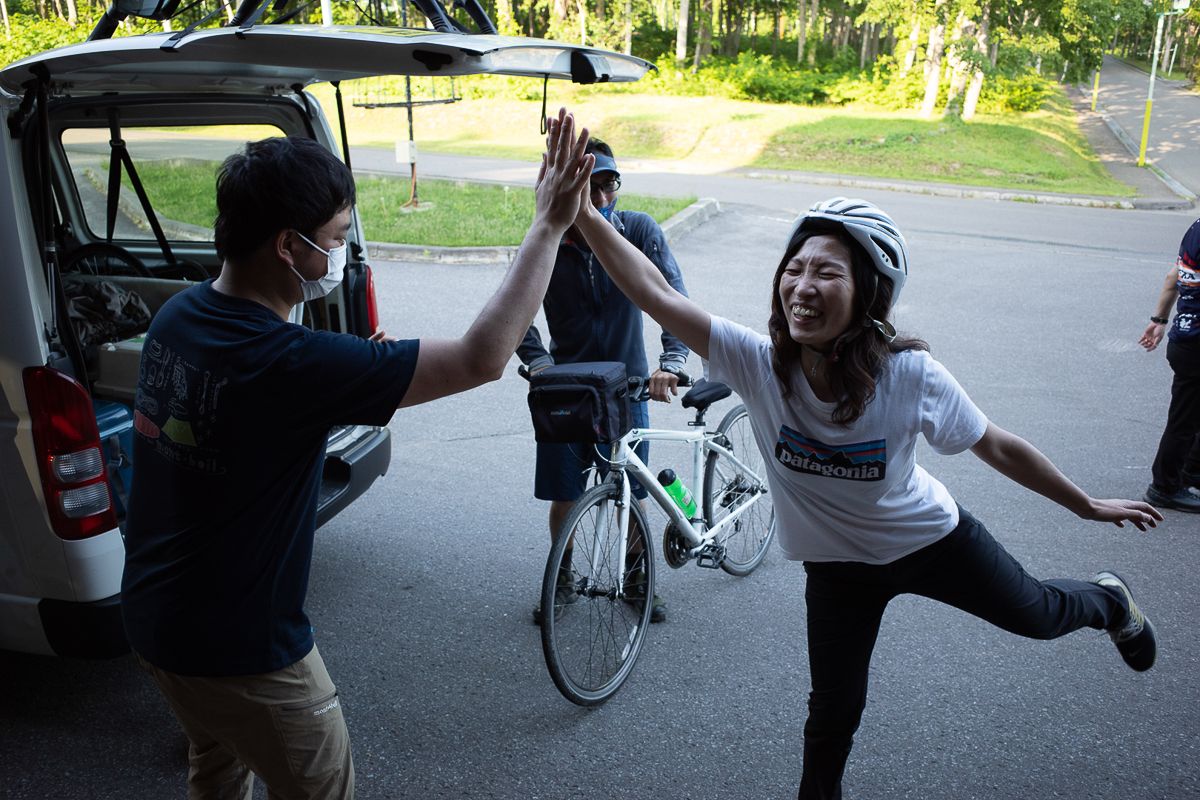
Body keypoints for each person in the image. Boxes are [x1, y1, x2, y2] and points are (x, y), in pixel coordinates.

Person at [566, 171, 1161, 799]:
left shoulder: (909, 375)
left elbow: (997, 444)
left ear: (869, 294)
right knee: (832, 714)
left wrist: (1085, 504)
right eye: (794, 268)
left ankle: (1110, 601)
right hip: (836, 568)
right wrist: (581, 210)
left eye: (828, 272)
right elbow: (655, 292)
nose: (802, 286)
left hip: (930, 541)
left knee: (1038, 615)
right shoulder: (757, 361)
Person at [120, 112, 593, 800]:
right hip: (244, 650)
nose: (340, 253)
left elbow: (261, 390)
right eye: (337, 238)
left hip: (156, 619)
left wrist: (343, 370)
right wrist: (548, 224)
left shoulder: (182, 317)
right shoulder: (289, 365)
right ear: (288, 245)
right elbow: (482, 358)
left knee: (217, 757)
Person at [517, 138, 690, 624]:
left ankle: (637, 578)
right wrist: (538, 363)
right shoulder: (544, 240)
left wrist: (671, 360)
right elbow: (513, 314)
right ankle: (563, 576)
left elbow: (671, 294)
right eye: (587, 185)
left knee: (631, 492)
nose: (597, 197)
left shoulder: (637, 230)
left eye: (607, 184)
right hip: (566, 389)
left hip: (627, 387)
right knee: (565, 493)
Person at [1138, 216, 1200, 512]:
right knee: (1183, 421)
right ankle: (1164, 486)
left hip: (1185, 339)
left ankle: (1191, 472)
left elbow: (1173, 276)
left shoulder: (1196, 229)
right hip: (1196, 345)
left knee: (1190, 415)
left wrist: (1158, 320)